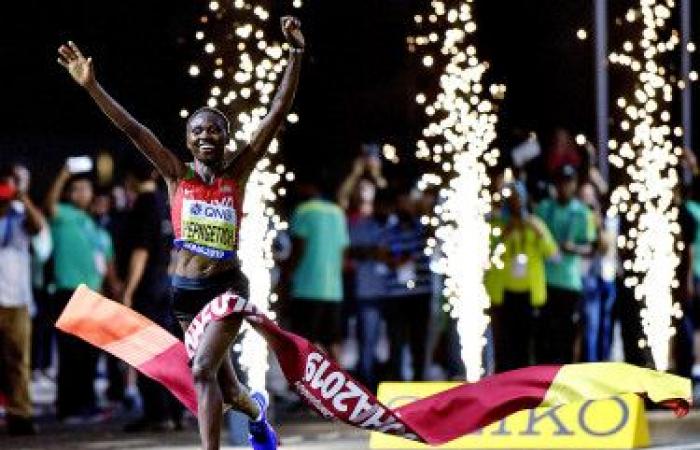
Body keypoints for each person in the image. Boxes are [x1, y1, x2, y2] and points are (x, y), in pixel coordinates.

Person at [58, 15, 303, 450]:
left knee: (202, 371)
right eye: (198, 130)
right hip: (184, 292)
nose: (207, 135)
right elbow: (132, 129)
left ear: (227, 138)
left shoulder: (238, 171)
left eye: (215, 129)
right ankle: (256, 412)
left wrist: (295, 54)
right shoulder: (175, 174)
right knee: (226, 390)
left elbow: (277, 112)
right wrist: (92, 87)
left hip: (227, 288)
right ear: (188, 141)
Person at [44, 164, 115, 421]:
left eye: (83, 188)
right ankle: (68, 408)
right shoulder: (62, 214)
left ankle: (86, 405)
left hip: (94, 297)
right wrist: (63, 173)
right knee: (70, 353)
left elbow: (107, 268)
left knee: (89, 354)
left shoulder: (97, 228)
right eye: (74, 189)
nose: (79, 193)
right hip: (68, 293)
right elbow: (49, 206)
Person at [120, 161, 182, 431]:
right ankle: (175, 411)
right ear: (155, 173)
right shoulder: (165, 203)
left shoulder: (142, 205)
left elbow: (141, 251)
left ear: (130, 178)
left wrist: (128, 290)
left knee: (146, 349)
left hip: (147, 285)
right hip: (167, 283)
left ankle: (157, 414)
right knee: (168, 348)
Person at [485, 181, 557, 371]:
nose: (516, 203)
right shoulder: (498, 225)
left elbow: (554, 255)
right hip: (504, 295)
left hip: (529, 295)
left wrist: (538, 232)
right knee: (504, 345)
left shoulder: (535, 223)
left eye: (519, 198)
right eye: (512, 199)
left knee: (527, 344)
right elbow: (490, 257)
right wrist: (504, 234)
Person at [0, 164, 45, 435]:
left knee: (18, 361)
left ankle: (20, 415)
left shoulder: (20, 215)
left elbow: (38, 227)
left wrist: (23, 198)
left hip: (16, 299)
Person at [535, 165, 595, 364]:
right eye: (560, 182)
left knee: (568, 334)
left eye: (568, 182)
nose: (564, 186)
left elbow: (590, 247)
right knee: (545, 334)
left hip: (570, 282)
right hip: (545, 281)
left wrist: (573, 248)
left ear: (574, 184)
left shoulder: (582, 212)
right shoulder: (544, 208)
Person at [288, 179, 349, 360]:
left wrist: (287, 275)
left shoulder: (303, 210)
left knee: (304, 342)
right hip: (333, 290)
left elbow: (298, 249)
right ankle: (341, 383)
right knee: (332, 341)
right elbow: (343, 253)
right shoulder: (338, 213)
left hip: (306, 287)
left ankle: (303, 386)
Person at [381, 191, 433, 381]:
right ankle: (397, 381)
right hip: (396, 296)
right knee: (396, 340)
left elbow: (432, 236)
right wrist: (397, 260)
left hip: (420, 294)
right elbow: (382, 254)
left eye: (408, 204)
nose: (405, 208)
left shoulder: (423, 229)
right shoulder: (389, 231)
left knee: (419, 341)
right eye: (401, 204)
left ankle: (419, 380)